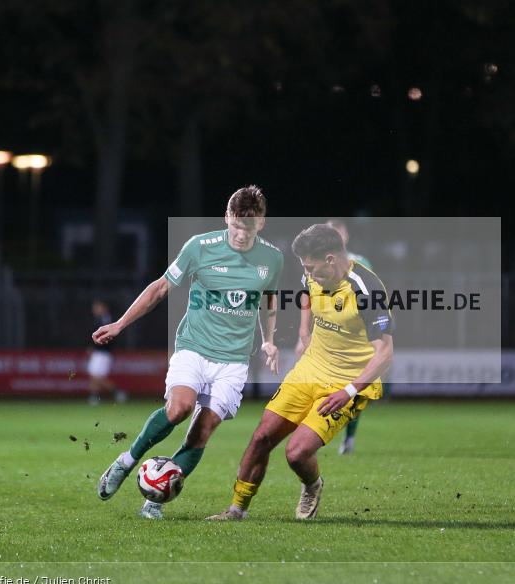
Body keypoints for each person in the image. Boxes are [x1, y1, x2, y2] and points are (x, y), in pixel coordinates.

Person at [93, 185, 284, 519]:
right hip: (194, 348)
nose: (240, 234)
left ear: (262, 224)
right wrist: (120, 325)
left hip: (234, 361)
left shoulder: (272, 258)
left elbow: (269, 298)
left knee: (202, 431)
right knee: (179, 408)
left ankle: (156, 498)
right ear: (227, 217)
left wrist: (269, 338)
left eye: (248, 229)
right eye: (236, 226)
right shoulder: (200, 247)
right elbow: (160, 288)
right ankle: (127, 461)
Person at [207, 223, 394, 521]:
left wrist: (348, 391)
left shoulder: (366, 289)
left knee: (296, 453)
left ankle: (312, 485)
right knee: (261, 437)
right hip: (311, 368)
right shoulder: (313, 271)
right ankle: (236, 510)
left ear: (331, 259)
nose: (308, 272)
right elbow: (308, 290)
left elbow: (385, 352)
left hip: (347, 382)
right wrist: (303, 333)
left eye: (312, 266)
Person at [325, 219, 374, 455]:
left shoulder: (360, 261)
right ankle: (316, 434)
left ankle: (349, 438)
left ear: (345, 236)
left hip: (355, 335)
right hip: (327, 334)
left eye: (338, 232)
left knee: (355, 390)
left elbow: (371, 296)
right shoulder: (318, 262)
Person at [87, 300, 127, 405]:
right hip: (98, 352)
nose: (95, 310)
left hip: (103, 353)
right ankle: (94, 397)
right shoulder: (99, 319)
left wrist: (96, 347)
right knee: (94, 375)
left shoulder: (107, 319)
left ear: (103, 308)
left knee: (98, 376)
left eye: (97, 307)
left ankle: (118, 392)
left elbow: (109, 337)